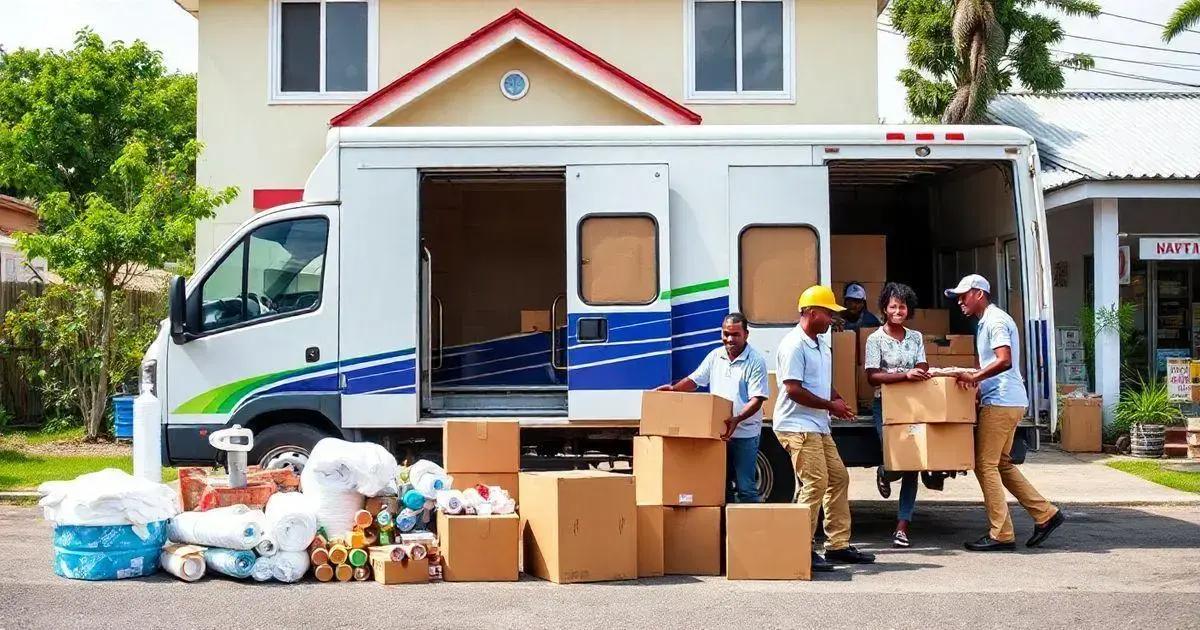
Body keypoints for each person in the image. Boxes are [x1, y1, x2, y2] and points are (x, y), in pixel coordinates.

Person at [945, 274, 1064, 552]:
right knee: (1001, 463)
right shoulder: (987, 320)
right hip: (1009, 400)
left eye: (964, 296)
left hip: (1001, 401)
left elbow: (1004, 360)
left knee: (984, 464)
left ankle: (1001, 533)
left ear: (979, 294)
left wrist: (974, 377)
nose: (960, 302)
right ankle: (1045, 514)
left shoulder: (995, 320)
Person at [774, 285, 875, 572]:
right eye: (828, 313)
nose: (832, 318)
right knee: (815, 483)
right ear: (811, 312)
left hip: (817, 424)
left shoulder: (821, 344)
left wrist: (837, 399)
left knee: (838, 479)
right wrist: (831, 407)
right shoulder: (793, 345)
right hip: (796, 426)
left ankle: (837, 546)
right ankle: (801, 549)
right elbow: (793, 390)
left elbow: (820, 382)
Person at [656, 312, 769, 503]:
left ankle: (752, 531)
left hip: (744, 433)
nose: (730, 339)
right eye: (726, 334)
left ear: (746, 335)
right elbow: (695, 380)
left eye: (735, 334)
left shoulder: (755, 361)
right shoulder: (715, 356)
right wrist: (674, 389)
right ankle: (723, 530)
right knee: (718, 486)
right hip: (718, 434)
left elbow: (757, 399)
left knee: (746, 487)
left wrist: (737, 419)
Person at [863, 282, 928, 548]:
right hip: (885, 406)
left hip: (914, 406)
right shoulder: (875, 339)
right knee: (894, 463)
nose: (898, 311)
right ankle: (883, 472)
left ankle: (902, 526)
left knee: (911, 465)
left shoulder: (916, 337)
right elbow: (871, 376)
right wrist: (905, 375)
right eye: (893, 306)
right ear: (884, 309)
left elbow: (923, 364)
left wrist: (920, 369)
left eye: (902, 306)